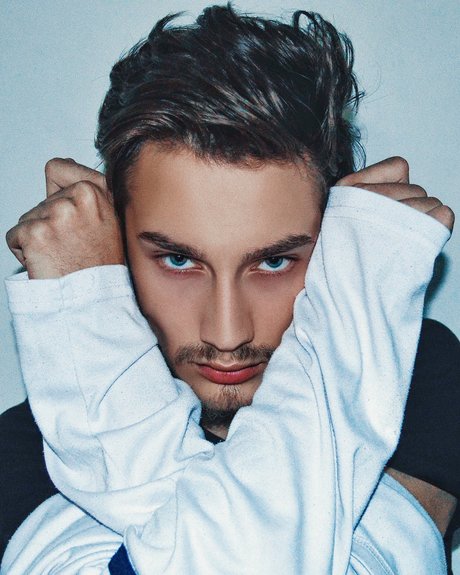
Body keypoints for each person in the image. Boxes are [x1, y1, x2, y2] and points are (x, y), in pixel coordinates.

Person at [1, 4, 459, 573]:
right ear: (111, 248)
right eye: (177, 260)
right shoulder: (24, 452)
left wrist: (83, 325)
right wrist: (364, 294)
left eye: (274, 262)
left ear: (332, 249)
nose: (226, 333)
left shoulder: (419, 377)